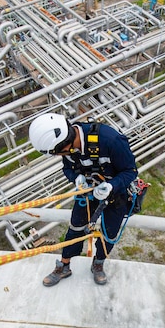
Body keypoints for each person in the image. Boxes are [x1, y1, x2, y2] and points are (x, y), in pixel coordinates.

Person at [28, 113, 138, 286]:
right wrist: (76, 178)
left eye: (58, 153)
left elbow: (130, 171)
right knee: (75, 229)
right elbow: (68, 168)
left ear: (66, 144)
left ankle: (98, 263)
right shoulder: (68, 148)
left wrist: (111, 186)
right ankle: (64, 265)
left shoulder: (110, 140)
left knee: (109, 233)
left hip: (115, 194)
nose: (59, 156)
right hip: (87, 192)